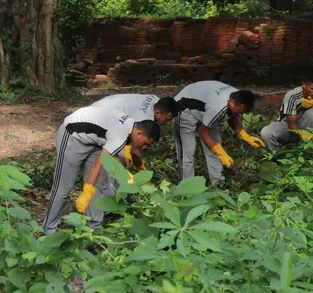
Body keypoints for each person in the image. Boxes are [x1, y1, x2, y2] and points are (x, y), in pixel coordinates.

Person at [42, 106, 160, 235]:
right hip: (73, 134)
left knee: (99, 183)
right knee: (63, 187)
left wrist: (142, 172)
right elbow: (99, 163)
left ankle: (93, 229)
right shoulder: (120, 135)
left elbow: (132, 153)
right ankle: (49, 230)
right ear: (139, 133)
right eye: (145, 143)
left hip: (96, 143)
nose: (144, 147)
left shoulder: (132, 128)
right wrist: (86, 193)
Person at [170, 81, 261, 185]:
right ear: (231, 102)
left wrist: (243, 134)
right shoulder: (218, 107)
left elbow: (232, 115)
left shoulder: (238, 96)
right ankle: (187, 188)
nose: (240, 115)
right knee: (187, 152)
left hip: (204, 108)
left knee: (215, 147)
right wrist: (221, 153)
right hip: (183, 110)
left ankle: (218, 185)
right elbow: (203, 132)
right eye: (239, 112)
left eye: (242, 113)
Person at [259, 70, 313, 152]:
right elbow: (292, 125)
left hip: (307, 125)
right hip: (287, 125)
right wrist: (302, 133)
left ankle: (303, 150)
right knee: (266, 133)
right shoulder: (292, 96)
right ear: (304, 85)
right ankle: (275, 156)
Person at [90, 93, 177, 126]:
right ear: (157, 112)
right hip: (98, 116)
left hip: (104, 103)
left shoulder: (155, 98)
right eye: (167, 120)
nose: (168, 123)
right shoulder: (143, 118)